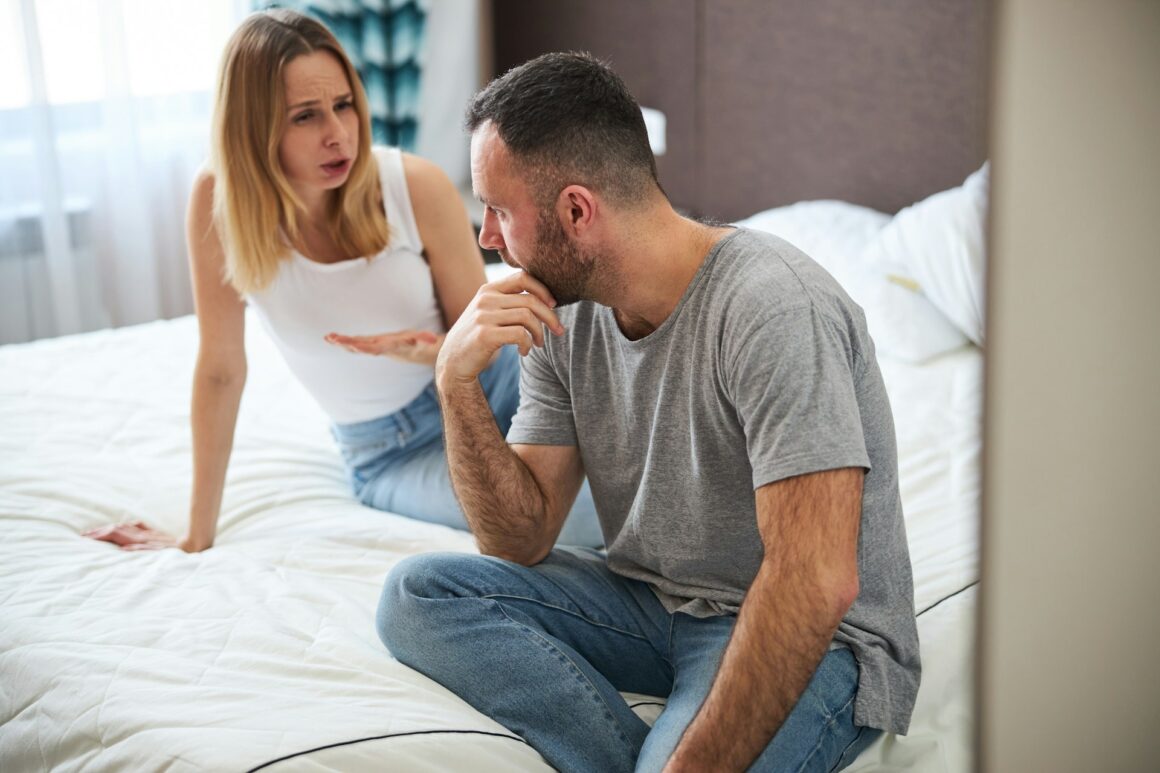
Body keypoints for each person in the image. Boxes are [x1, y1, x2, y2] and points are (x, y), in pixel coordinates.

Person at [376, 52, 921, 772]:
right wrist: (456, 384)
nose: (487, 239)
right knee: (417, 596)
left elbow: (816, 578)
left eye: (500, 211)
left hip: (812, 635)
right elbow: (520, 538)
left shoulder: (772, 306)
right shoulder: (560, 314)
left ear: (576, 211)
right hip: (652, 601)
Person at [82, 10, 600, 553]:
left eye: (344, 105)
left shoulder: (413, 187)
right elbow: (220, 370)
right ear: (254, 128)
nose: (338, 135)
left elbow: (483, 346)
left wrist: (432, 354)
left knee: (627, 458)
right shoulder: (218, 204)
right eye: (305, 117)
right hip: (394, 452)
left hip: (493, 390)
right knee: (578, 519)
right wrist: (195, 537)